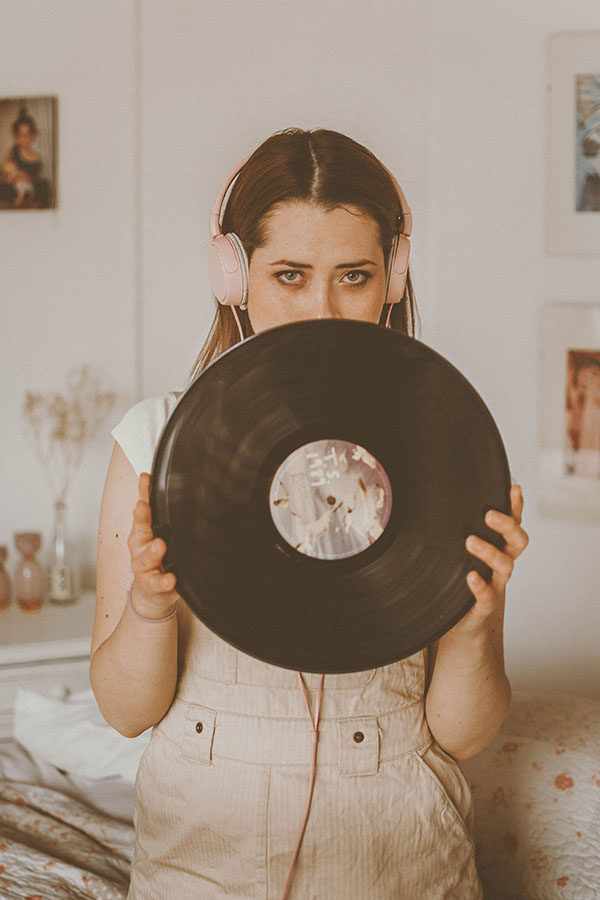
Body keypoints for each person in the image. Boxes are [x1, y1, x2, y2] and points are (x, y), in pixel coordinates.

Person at [91, 128, 529, 899]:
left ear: (392, 278)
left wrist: (475, 624)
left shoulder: (446, 444)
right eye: (289, 276)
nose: (321, 308)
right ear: (235, 278)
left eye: (353, 276)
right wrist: (149, 610)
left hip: (404, 872)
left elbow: (463, 736)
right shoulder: (153, 442)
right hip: (202, 876)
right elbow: (126, 714)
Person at [1, 108, 43, 208]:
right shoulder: (14, 150)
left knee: (43, 186)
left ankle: (32, 202)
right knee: (4, 188)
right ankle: (19, 200)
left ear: (33, 135)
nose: (24, 137)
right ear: (16, 136)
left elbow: (36, 177)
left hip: (28, 185)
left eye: (27, 134)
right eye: (21, 134)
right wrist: (8, 177)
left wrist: (27, 177)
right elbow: (5, 167)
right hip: (12, 185)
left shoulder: (36, 157)